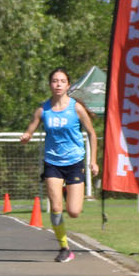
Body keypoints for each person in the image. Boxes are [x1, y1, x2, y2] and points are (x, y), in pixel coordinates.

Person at [19, 68, 100, 263]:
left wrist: (93, 160)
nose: (58, 84)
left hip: (74, 162)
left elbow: (92, 133)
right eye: (55, 81)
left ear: (68, 85)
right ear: (50, 84)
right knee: (55, 208)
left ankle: (67, 190)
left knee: (73, 212)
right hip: (52, 163)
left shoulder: (76, 108)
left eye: (62, 81)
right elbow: (31, 128)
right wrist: (26, 136)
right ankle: (64, 247)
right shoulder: (43, 109)